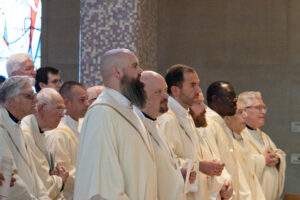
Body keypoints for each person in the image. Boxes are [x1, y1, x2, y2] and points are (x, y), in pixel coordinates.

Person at [74, 48, 157, 200]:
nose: (141, 71)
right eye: (135, 66)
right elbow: (103, 186)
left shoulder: (127, 111)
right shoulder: (102, 113)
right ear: (117, 72)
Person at [158, 64, 225, 200]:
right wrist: (199, 166)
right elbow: (163, 162)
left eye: (198, 84)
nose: (198, 90)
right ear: (176, 90)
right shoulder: (167, 118)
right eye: (193, 85)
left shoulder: (186, 115)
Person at [134, 70, 188, 200]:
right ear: (142, 96)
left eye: (165, 90)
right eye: (158, 92)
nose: (166, 97)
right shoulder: (137, 129)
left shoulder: (156, 124)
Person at [206, 81, 264, 200]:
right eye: (230, 96)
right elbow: (213, 163)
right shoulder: (209, 125)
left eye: (235, 97)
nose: (234, 100)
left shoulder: (222, 127)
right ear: (215, 99)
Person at [0, 76, 49, 199]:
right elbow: (10, 180)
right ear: (11, 100)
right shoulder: (1, 129)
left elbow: (33, 174)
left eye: (34, 95)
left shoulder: (17, 125)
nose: (35, 100)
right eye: (29, 96)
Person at [21, 88, 69, 199]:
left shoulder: (40, 131)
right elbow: (42, 184)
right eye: (59, 109)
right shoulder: (26, 134)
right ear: (41, 108)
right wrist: (60, 179)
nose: (62, 115)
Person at [238, 91, 286, 200]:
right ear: (244, 110)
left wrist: (277, 159)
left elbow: (279, 153)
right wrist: (263, 160)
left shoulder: (264, 136)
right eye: (258, 108)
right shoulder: (238, 135)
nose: (263, 111)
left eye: (264, 108)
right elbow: (238, 165)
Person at [46, 81, 88, 199]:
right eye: (82, 100)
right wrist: (93, 178)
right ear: (66, 102)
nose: (87, 104)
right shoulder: (57, 133)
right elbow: (63, 172)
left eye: (87, 99)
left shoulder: (80, 126)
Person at [190, 99, 233, 200]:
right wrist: (199, 166)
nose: (205, 108)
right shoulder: (170, 123)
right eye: (199, 103)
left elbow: (218, 161)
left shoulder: (204, 130)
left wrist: (226, 182)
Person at [224, 103, 266, 200]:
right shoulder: (226, 142)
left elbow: (251, 174)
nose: (245, 115)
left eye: (245, 112)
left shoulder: (245, 137)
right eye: (240, 112)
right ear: (228, 118)